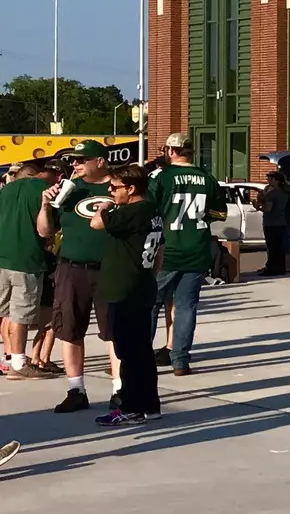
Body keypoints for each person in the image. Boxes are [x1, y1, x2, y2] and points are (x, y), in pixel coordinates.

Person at [40, 140, 118, 413]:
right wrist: (46, 205)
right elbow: (45, 231)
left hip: (111, 268)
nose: (75, 164)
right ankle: (76, 389)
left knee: (114, 332)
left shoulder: (117, 188)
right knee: (70, 329)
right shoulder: (69, 190)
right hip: (72, 268)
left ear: (100, 161)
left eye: (81, 160)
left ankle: (119, 389)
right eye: (73, 160)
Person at [87, 168, 164, 429]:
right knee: (142, 351)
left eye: (115, 188)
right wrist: (150, 275)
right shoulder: (152, 210)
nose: (110, 191)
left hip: (124, 290)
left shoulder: (131, 212)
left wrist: (104, 207)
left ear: (131, 189)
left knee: (128, 353)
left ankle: (130, 407)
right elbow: (160, 250)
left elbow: (95, 224)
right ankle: (150, 405)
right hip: (142, 285)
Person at [148, 132, 224, 377]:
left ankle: (141, 355)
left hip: (167, 248)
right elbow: (220, 213)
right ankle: (180, 360)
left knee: (151, 303)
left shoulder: (162, 176)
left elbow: (148, 206)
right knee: (186, 306)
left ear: (170, 151)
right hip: (197, 247)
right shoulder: (207, 177)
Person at [0, 158, 58, 379]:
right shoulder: (44, 191)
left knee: (4, 312)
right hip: (27, 260)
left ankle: (10, 359)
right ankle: (19, 363)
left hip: (2, 257)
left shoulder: (5, 190)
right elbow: (46, 232)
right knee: (20, 315)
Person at [259, 167, 290, 275]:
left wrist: (259, 205)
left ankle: (271, 269)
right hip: (281, 222)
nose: (268, 180)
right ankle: (280, 268)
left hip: (271, 223)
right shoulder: (284, 192)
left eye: (271, 178)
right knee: (280, 247)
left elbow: (268, 209)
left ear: (276, 180)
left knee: (272, 247)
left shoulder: (272, 194)